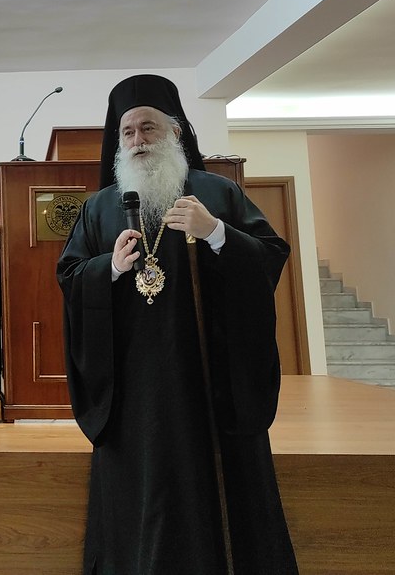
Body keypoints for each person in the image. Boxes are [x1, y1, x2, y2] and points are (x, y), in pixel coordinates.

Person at [56, 74, 298, 575]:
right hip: (133, 387)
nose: (138, 140)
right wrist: (109, 269)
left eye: (149, 127)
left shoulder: (217, 193)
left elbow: (271, 256)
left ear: (176, 132)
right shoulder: (99, 208)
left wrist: (217, 233)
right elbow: (71, 276)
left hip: (208, 379)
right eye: (128, 132)